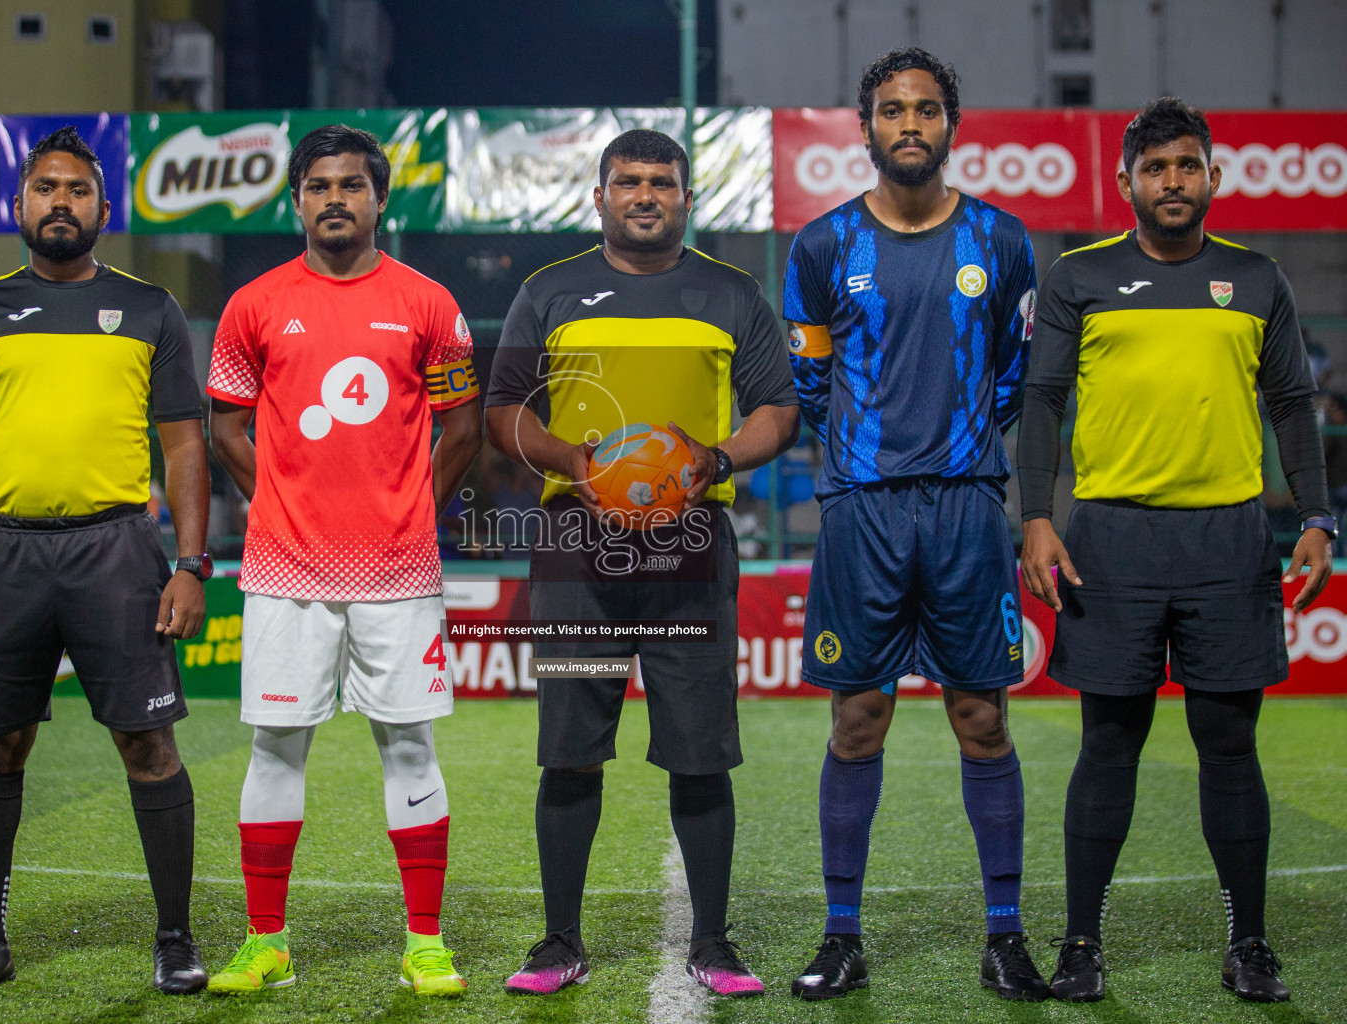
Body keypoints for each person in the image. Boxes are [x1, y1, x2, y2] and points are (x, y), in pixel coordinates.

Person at [1018, 97, 1334, 1004]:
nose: (1172, 182)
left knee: (1230, 746)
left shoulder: (1259, 278)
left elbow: (1292, 408)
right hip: (1110, 539)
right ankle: (1082, 943)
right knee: (1107, 743)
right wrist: (1035, 516)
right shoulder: (1079, 277)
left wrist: (1317, 516)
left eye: (1186, 166)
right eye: (1154, 168)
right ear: (1125, 183)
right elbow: (1040, 403)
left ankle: (1251, 943)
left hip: (1228, 539)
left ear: (1212, 178)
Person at [485, 128, 801, 998]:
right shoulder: (548, 291)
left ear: (688, 198)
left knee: (701, 753)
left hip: (690, 555)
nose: (646, 195)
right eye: (628, 181)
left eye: (663, 181)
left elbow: (780, 409)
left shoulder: (731, 292)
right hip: (580, 556)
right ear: (599, 197)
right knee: (571, 750)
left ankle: (713, 941)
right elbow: (501, 410)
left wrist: (718, 459)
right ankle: (558, 942)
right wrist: (572, 461)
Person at [0, 126, 212, 995]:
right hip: (4, 552)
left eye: (76, 191)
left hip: (116, 550)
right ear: (19, 206)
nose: (60, 202)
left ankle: (174, 936)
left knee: (148, 743)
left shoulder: (151, 309)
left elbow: (186, 449)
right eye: (45, 188)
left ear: (102, 210)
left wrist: (190, 563)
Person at [783, 48, 1047, 1001]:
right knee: (859, 718)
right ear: (865, 128)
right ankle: (842, 934)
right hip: (863, 511)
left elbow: (1016, 376)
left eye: (926, 111)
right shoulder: (819, 248)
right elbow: (810, 381)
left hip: (971, 505)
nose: (909, 125)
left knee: (983, 717)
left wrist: (964, 440)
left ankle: (1007, 936)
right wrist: (861, 456)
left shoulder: (1003, 241)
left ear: (951, 126)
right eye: (891, 110)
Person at [204, 124, 483, 998]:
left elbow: (464, 427)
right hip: (287, 570)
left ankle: (426, 943)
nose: (335, 198)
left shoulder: (430, 303)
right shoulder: (252, 304)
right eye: (318, 185)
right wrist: (279, 500)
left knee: (409, 745)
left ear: (378, 199)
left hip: (397, 573)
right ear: (297, 201)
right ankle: (266, 942)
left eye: (351, 186)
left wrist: (411, 513)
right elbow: (225, 426)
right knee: (275, 746)